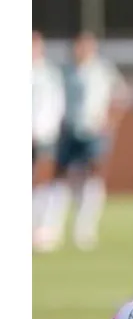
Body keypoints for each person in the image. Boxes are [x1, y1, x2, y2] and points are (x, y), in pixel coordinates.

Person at [42, 31, 129, 251]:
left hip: (94, 132)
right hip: (69, 129)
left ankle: (85, 228)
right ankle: (52, 227)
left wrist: (109, 122)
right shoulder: (65, 71)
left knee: (93, 177)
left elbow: (121, 96)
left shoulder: (102, 70)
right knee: (60, 178)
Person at [32, 30, 65, 252]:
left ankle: (45, 227)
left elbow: (56, 105)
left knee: (43, 180)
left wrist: (45, 129)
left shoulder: (49, 73)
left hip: (43, 135)